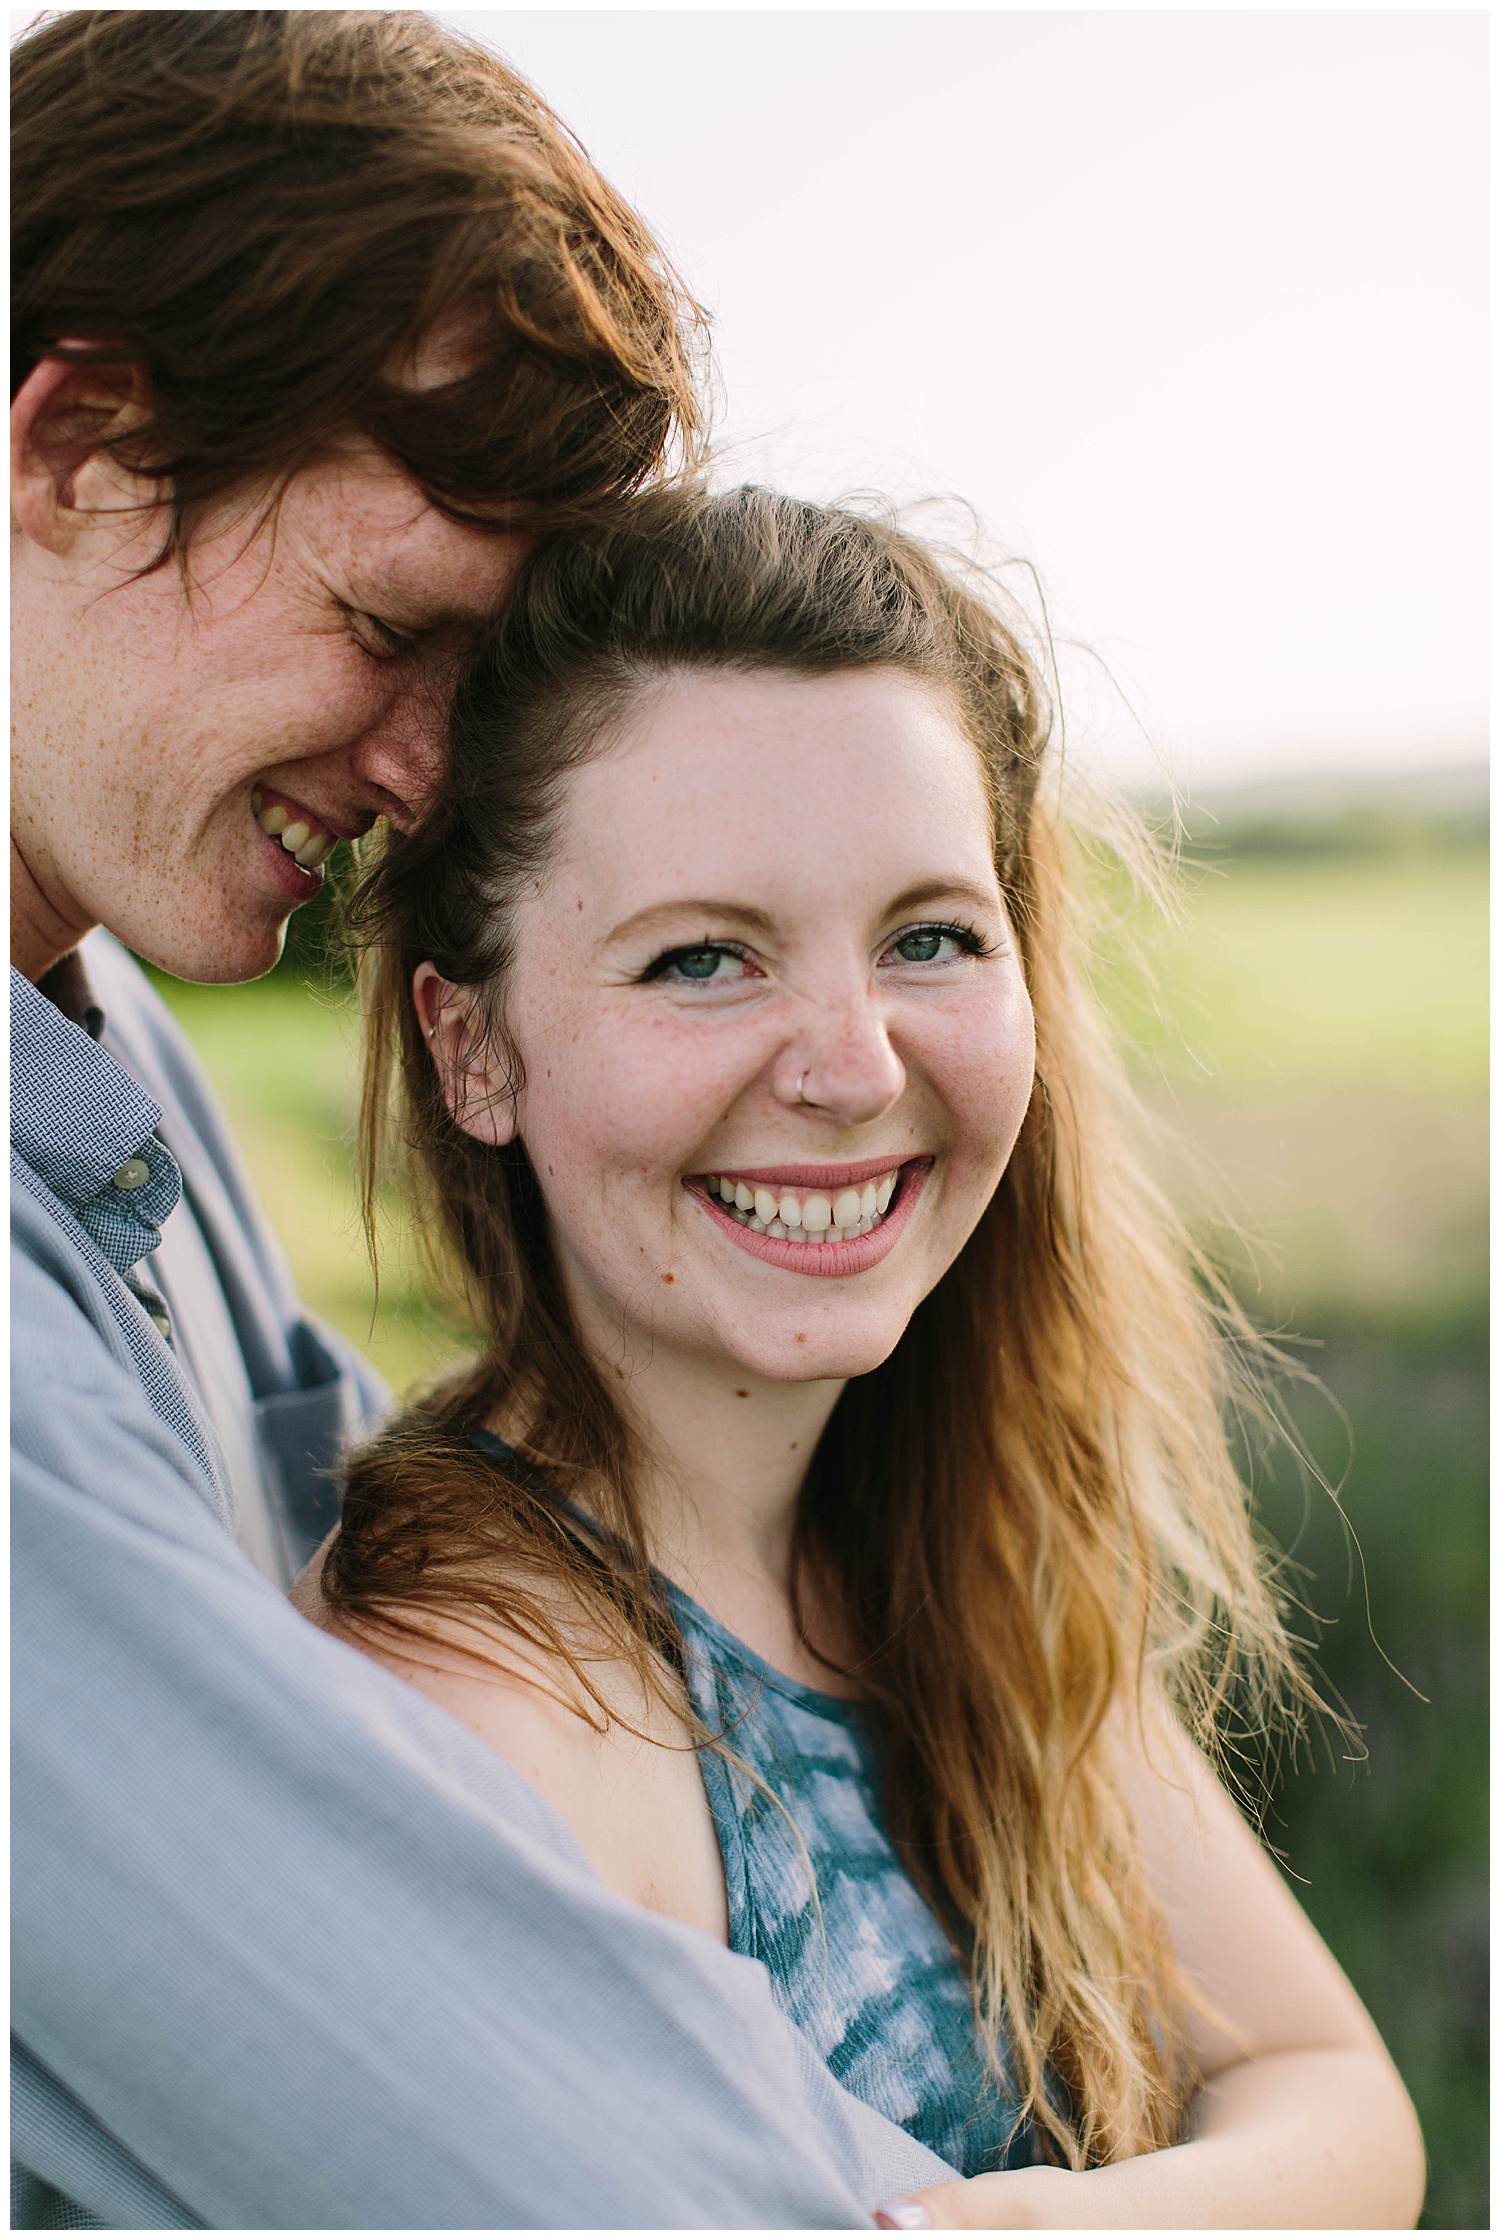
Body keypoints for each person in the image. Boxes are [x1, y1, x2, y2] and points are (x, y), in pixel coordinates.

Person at [12, 13, 959, 2227]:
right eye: (387, 625)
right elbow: (551, 2145)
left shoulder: (95, 1049)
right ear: (75, 448)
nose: (434, 775)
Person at [300, 485, 1427, 2229]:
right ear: (476, 1049)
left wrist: (1061, 2222)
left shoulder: (944, 1528)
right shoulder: (492, 1690)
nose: (849, 1063)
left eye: (928, 938)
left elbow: (1333, 2093)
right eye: (700, 957)